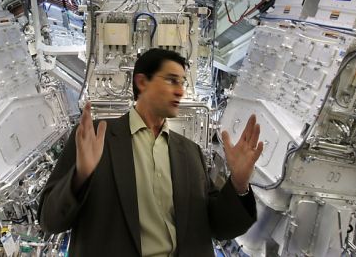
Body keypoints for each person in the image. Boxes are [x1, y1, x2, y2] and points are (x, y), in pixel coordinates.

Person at [38, 49, 264, 257]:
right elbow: (50, 221)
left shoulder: (190, 152)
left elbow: (219, 226)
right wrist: (79, 176)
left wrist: (238, 184)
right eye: (171, 80)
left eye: (182, 82)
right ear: (142, 82)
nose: (180, 90)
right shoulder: (97, 137)